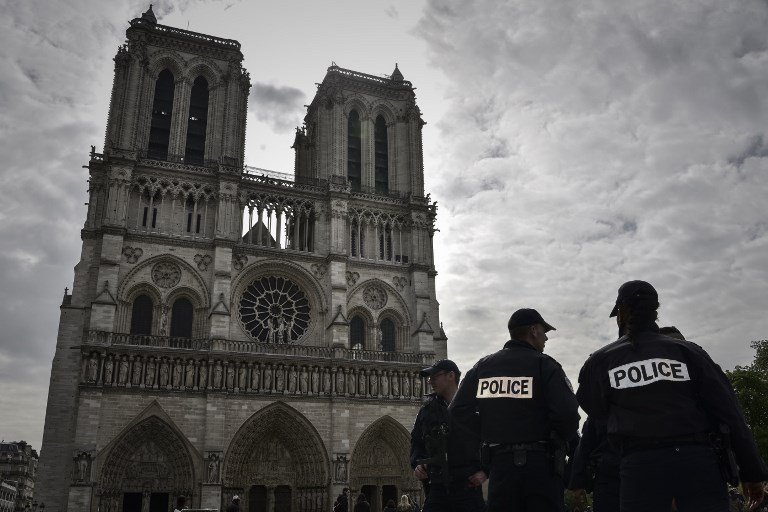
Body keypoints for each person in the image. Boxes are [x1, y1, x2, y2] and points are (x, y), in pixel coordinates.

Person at [577, 280, 768, 512]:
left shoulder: (601, 361)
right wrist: (752, 472)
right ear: (656, 310)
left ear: (620, 313)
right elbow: (730, 414)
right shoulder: (689, 352)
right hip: (699, 465)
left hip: (640, 468)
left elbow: (594, 408)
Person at [450, 308, 580, 511]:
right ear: (533, 330)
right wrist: (556, 439)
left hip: (501, 468)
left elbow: (458, 411)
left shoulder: (483, 367)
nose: (546, 337)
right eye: (544, 331)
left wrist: (486, 432)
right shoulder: (545, 365)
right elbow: (568, 414)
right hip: (541, 466)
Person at [410, 359, 486, 512]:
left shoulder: (476, 406)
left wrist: (486, 471)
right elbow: (417, 442)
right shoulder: (427, 410)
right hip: (437, 487)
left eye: (434, 376)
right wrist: (417, 464)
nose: (430, 381)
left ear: (451, 376)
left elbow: (492, 439)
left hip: (468, 485)